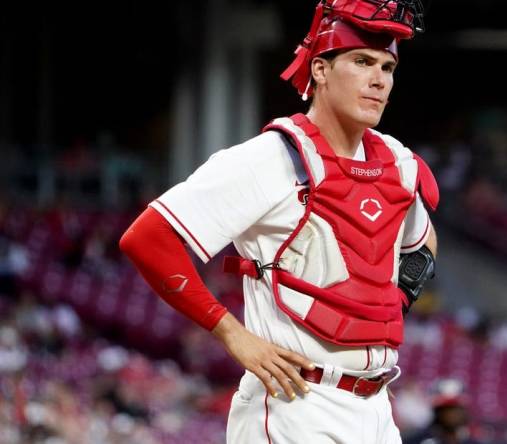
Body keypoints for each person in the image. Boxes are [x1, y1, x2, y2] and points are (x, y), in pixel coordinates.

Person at [119, 1, 438, 442]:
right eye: (362, 62)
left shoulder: (397, 163)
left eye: (387, 67)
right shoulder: (269, 158)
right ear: (321, 71)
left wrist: (390, 302)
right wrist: (232, 334)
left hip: (377, 407)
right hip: (295, 403)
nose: (379, 79)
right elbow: (147, 238)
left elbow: (421, 246)